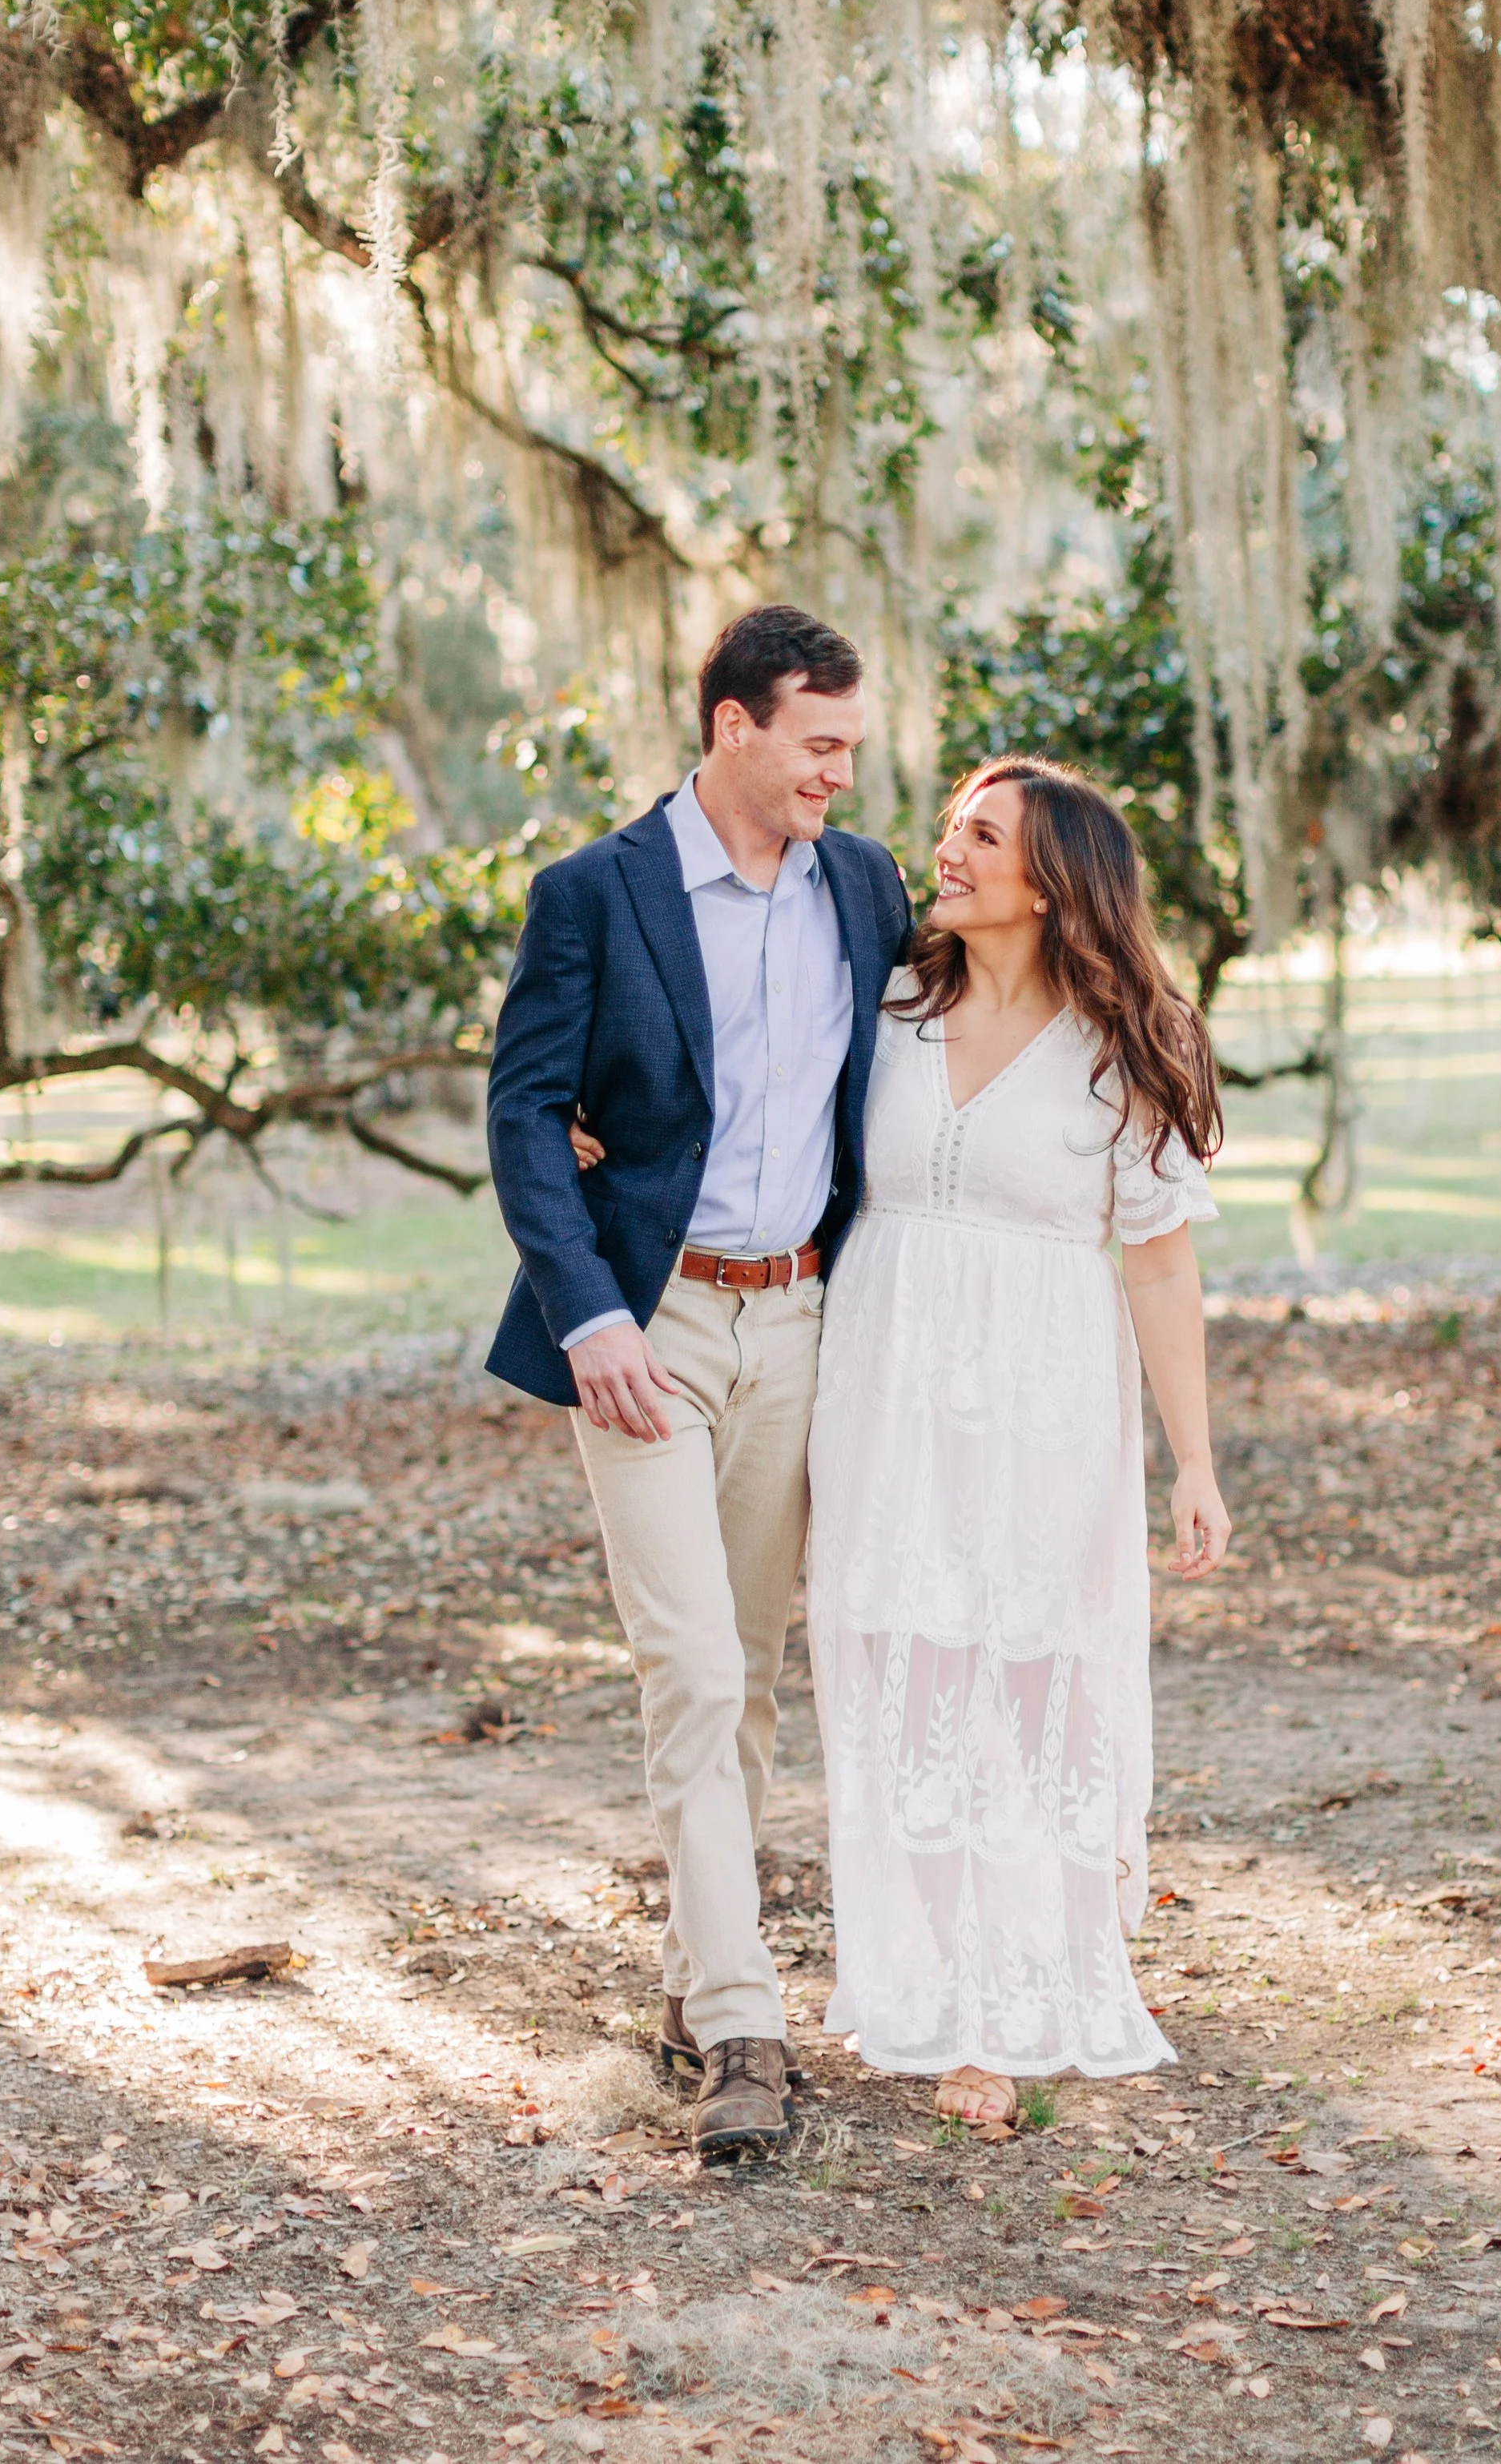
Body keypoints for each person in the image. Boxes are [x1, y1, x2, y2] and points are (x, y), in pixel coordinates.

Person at [483, 605, 912, 2160]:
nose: (837, 776)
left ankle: (687, 1980)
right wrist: (587, 1311)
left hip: (801, 1321)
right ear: (734, 725)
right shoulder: (594, 894)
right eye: (817, 745)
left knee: (749, 1672)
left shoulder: (862, 886)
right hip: (647, 1334)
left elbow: (935, 1047)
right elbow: (524, 1110)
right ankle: (743, 2029)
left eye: (848, 749)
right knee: (692, 1670)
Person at [806, 757, 1232, 2126]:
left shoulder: (1122, 1048)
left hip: (1044, 1404)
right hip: (885, 1397)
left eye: (982, 836)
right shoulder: (888, 1005)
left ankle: (1047, 1973)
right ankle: (952, 1997)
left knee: (1041, 1686)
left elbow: (1159, 1264)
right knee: (908, 1684)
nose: (949, 850)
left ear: (1049, 885)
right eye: (953, 828)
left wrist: (1194, 1461)